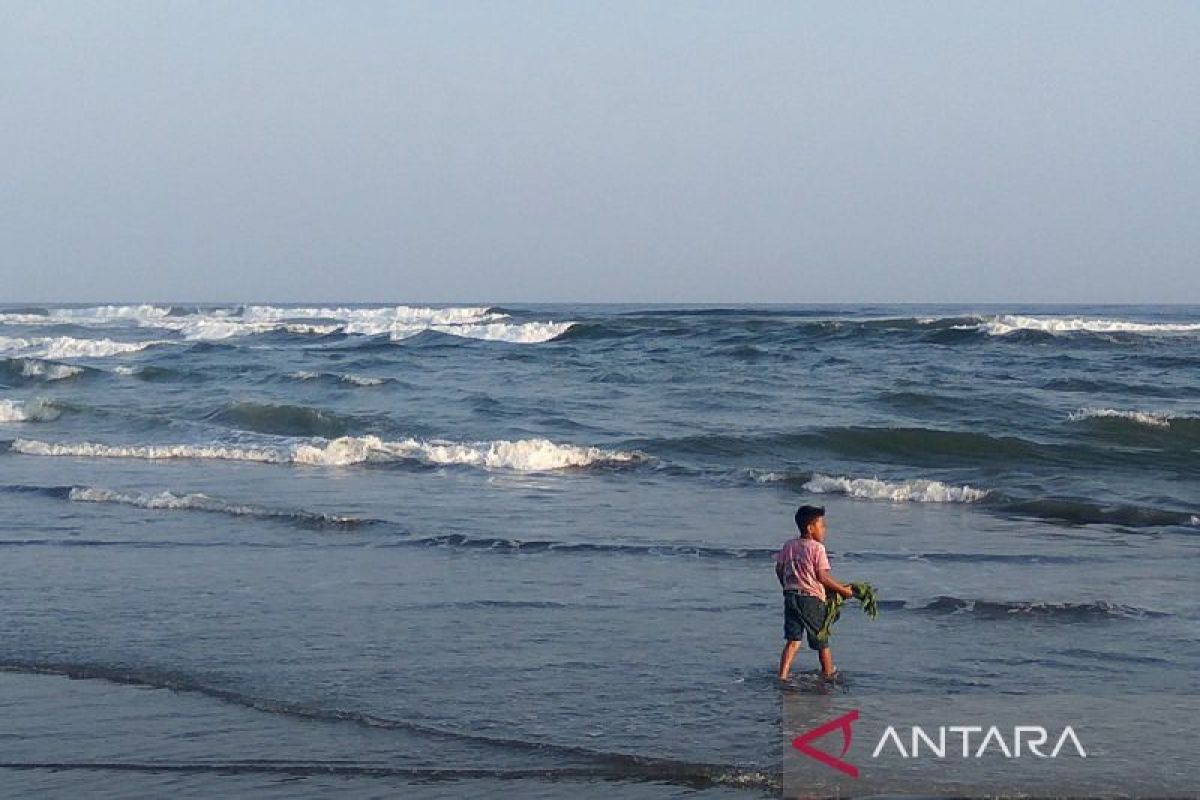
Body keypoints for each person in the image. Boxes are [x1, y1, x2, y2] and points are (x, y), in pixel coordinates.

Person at [775, 505, 854, 682]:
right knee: (821, 639)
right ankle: (828, 673)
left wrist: (786, 586)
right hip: (810, 599)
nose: (824, 529)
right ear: (810, 528)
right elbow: (822, 576)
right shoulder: (817, 548)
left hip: (791, 596)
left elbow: (779, 568)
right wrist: (843, 590)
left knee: (793, 640)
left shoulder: (789, 545)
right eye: (822, 525)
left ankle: (782, 675)